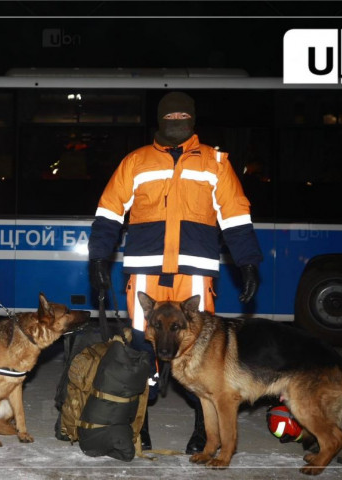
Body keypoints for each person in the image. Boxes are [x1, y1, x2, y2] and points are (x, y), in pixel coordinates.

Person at [88, 91, 262, 453]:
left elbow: (235, 215)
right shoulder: (135, 162)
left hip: (194, 271)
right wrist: (99, 259)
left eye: (184, 115)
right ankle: (142, 424)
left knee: (202, 350)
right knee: (141, 347)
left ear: (193, 120)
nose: (177, 121)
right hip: (146, 271)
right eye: (171, 115)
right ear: (160, 119)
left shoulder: (215, 162)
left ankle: (203, 430)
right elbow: (108, 214)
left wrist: (248, 262)